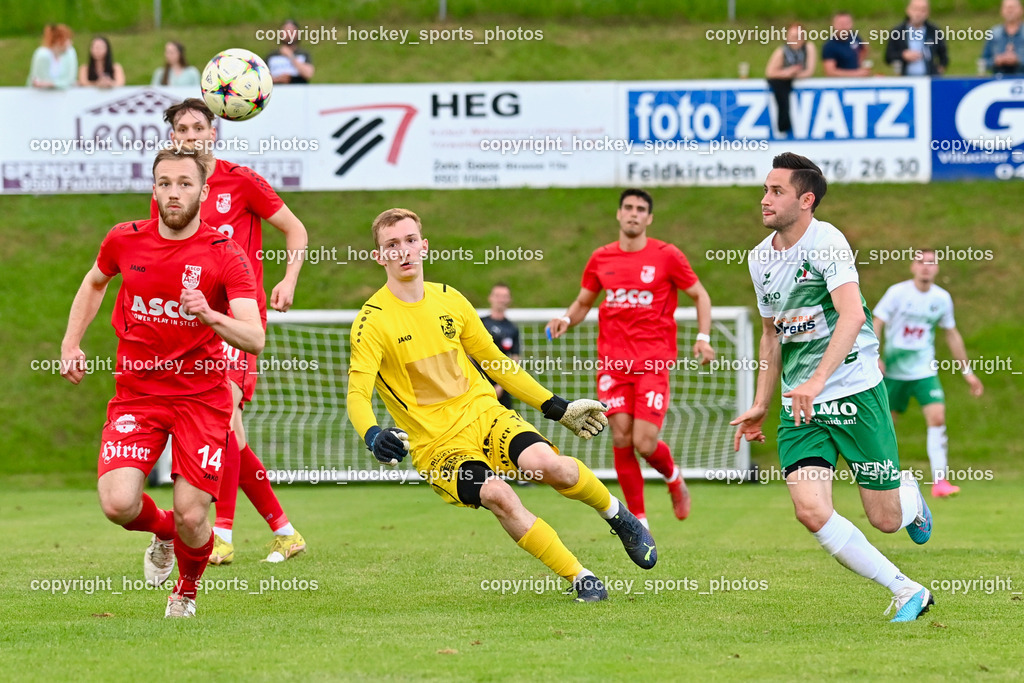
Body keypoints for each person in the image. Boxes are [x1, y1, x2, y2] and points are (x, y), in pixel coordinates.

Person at [347, 208, 658, 603]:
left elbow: (497, 364)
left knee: (550, 466)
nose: (403, 251)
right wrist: (373, 434)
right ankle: (581, 577)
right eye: (392, 245)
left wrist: (556, 407)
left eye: (410, 241)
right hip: (437, 445)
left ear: (424, 246)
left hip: (484, 414)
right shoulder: (371, 321)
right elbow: (357, 393)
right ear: (380, 257)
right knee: (498, 494)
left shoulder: (451, 300)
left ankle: (617, 515)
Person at [60, 147, 263, 618]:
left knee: (195, 516)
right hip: (139, 394)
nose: (174, 192)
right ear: (154, 189)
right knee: (117, 504)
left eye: (185, 184)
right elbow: (94, 282)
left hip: (201, 397)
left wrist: (209, 312)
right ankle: (163, 532)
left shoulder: (224, 254)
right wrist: (71, 343)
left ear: (203, 191)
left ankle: (185, 591)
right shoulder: (123, 240)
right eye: (165, 183)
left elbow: (253, 337)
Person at [731, 152, 935, 623]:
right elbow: (771, 333)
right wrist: (763, 402)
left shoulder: (827, 243)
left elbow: (853, 314)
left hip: (855, 392)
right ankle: (906, 589)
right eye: (765, 189)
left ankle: (907, 491)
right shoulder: (759, 258)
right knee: (809, 510)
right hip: (800, 406)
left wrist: (819, 378)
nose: (765, 199)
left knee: (885, 520)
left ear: (806, 200)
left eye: (776, 191)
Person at [152, 98, 308, 565]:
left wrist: (288, 278)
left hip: (238, 322)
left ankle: (220, 533)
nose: (190, 136)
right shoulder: (174, 189)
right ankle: (284, 530)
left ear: (213, 133)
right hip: (194, 324)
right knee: (232, 436)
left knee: (225, 427)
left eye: (198, 127)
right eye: (181, 129)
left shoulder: (240, 182)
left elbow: (296, 230)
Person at [546, 190, 715, 528]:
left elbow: (700, 295)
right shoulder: (601, 258)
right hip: (613, 364)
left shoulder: (667, 256)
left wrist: (703, 337)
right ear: (619, 214)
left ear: (649, 218)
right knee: (621, 437)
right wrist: (566, 318)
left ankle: (673, 477)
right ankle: (639, 521)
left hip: (653, 363)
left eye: (641, 209)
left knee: (644, 441)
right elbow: (583, 302)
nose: (633, 214)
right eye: (628, 208)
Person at [873, 249, 984, 498]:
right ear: (912, 266)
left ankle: (940, 482)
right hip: (893, 372)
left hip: (924, 370)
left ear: (937, 269)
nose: (926, 267)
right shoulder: (897, 293)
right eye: (921, 262)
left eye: (931, 263)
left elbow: (951, 333)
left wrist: (967, 372)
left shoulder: (941, 298)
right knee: (885, 426)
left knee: (937, 419)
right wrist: (875, 356)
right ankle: (881, 478)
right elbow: (876, 321)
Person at [765, 22, 817, 135]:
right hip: (784, 82)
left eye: (799, 37)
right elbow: (770, 72)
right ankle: (783, 126)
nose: (796, 40)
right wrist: (789, 73)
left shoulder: (809, 47)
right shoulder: (782, 51)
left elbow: (809, 71)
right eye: (793, 37)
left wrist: (794, 74)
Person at [479, 282, 521, 410]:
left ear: (509, 299)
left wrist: (501, 386)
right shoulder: (480, 323)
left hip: (501, 384)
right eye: (497, 295)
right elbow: (468, 354)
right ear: (490, 298)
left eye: (504, 296)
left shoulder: (512, 329)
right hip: (478, 382)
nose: (501, 300)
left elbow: (515, 360)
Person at [884, 0, 949, 76]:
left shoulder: (934, 31)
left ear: (928, 13)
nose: (918, 13)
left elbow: (943, 56)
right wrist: (903, 55)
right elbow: (888, 56)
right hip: (906, 79)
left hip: (928, 79)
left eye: (923, 10)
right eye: (915, 9)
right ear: (908, 10)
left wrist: (937, 72)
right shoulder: (898, 31)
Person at [27, 23, 78, 90]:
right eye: (67, 40)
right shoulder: (42, 55)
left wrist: (53, 84)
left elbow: (70, 80)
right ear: (58, 41)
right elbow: (38, 81)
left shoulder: (70, 53)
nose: (70, 43)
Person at [822, 12, 872, 77]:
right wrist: (856, 73)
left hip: (857, 80)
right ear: (834, 25)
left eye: (846, 23)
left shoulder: (854, 37)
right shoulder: (829, 46)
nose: (844, 27)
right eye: (840, 24)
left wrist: (861, 64)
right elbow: (830, 72)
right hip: (840, 83)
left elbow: (863, 49)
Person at [982, 0, 1024, 75]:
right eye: (1007, 8)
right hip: (998, 81)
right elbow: (983, 61)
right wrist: (996, 61)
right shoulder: (994, 33)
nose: (1010, 10)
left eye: (1013, 7)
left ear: (1021, 10)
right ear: (1001, 11)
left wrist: (1018, 60)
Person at [266, 20, 315, 84]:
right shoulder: (272, 56)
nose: (289, 35)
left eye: (292, 32)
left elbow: (308, 74)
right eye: (286, 32)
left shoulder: (303, 54)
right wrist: (278, 79)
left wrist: (290, 56)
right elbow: (262, 77)